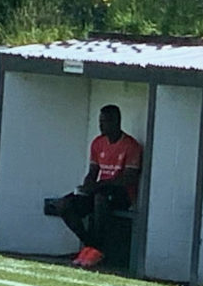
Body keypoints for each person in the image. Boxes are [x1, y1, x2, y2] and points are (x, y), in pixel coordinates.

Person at [58, 104, 144, 268]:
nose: (101, 125)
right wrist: (85, 187)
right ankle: (91, 245)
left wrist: (99, 186)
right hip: (99, 189)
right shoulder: (97, 143)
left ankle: (95, 250)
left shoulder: (131, 146)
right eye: (100, 121)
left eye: (104, 121)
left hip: (121, 194)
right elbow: (93, 172)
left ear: (116, 121)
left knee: (100, 199)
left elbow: (128, 179)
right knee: (64, 204)